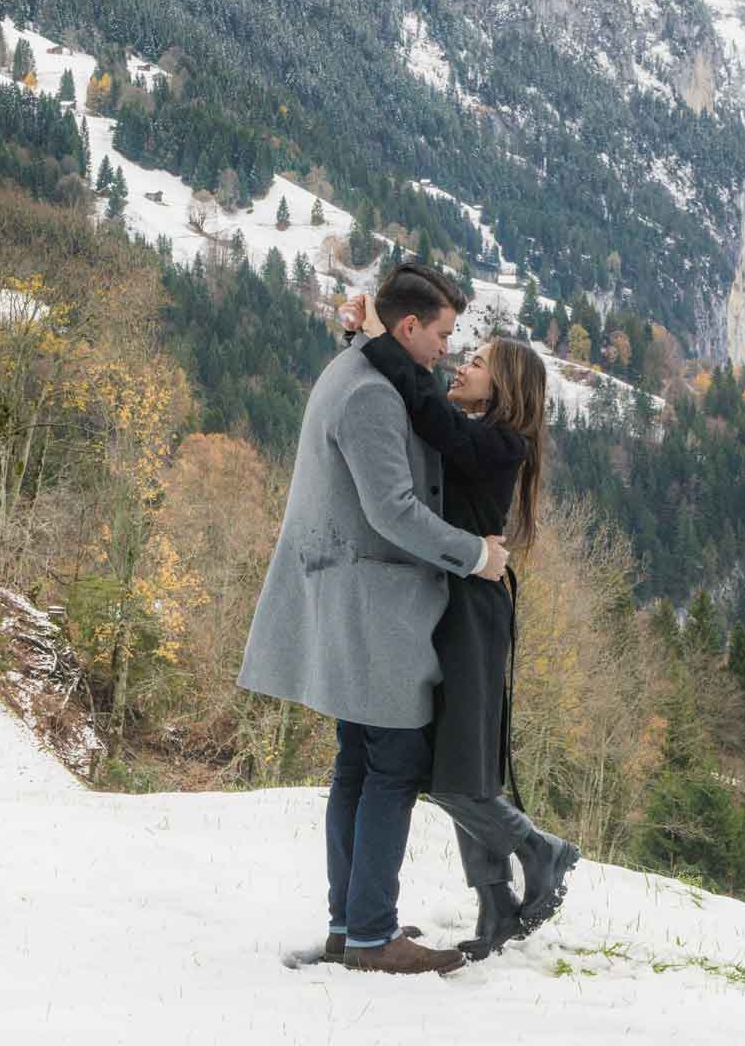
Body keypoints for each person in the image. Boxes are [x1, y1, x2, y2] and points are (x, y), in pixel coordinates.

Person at [237, 263, 509, 976]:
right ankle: (371, 937)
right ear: (410, 326)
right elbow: (393, 509)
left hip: (352, 597)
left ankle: (348, 925)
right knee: (393, 766)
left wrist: (355, 327)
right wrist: (475, 553)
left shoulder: (355, 367)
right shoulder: (368, 397)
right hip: (371, 604)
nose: (449, 350)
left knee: (358, 764)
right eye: (444, 335)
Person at [345, 294, 581, 960]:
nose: (460, 364)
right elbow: (420, 419)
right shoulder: (483, 434)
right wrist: (360, 343)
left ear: (501, 386)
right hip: (454, 606)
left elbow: (427, 415)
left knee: (456, 775)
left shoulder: (498, 442)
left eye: (475, 361)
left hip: (473, 612)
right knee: (461, 764)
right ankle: (498, 904)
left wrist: (378, 339)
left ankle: (542, 850)